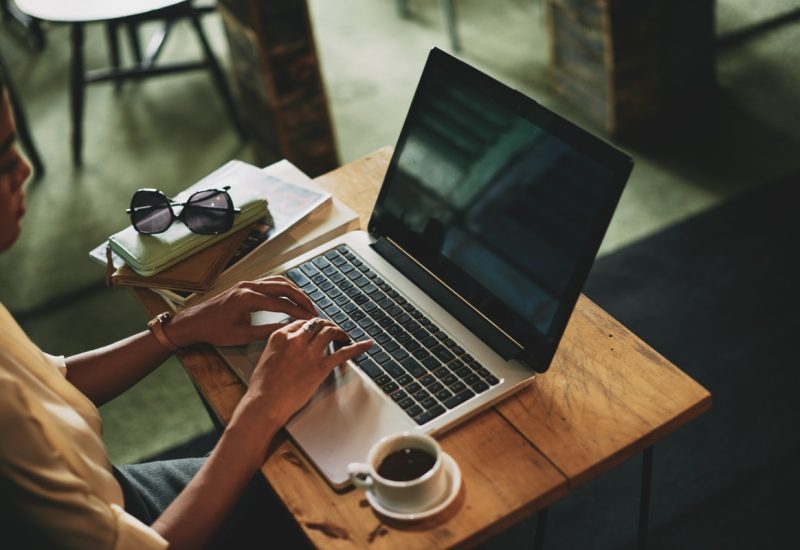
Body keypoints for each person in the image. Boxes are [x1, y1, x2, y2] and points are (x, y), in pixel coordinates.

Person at [0, 81, 373, 549]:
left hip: (109, 493)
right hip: (135, 527)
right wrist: (261, 407)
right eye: (0, 158)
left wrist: (179, 329)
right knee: (346, 496)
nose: (24, 169)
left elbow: (52, 385)